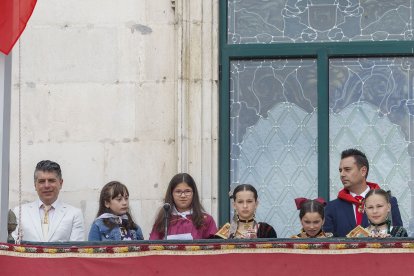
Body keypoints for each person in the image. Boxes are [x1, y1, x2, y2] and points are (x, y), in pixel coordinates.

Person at [324, 149, 403, 237]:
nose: (342, 174)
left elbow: (399, 239)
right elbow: (328, 245)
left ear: (363, 171)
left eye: (347, 169)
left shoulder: (389, 201)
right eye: (340, 170)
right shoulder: (331, 208)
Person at [12, 160, 85, 242]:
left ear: (61, 183)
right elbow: (14, 246)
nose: (46, 186)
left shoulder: (74, 214)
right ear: (35, 185)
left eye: (51, 180)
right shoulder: (19, 212)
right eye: (42, 181)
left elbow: (75, 250)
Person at [149, 173, 217, 240]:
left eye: (187, 191)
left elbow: (214, 247)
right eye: (178, 192)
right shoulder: (164, 219)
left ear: (194, 193)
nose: (183, 196)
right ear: (171, 194)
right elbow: (153, 246)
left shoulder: (205, 220)